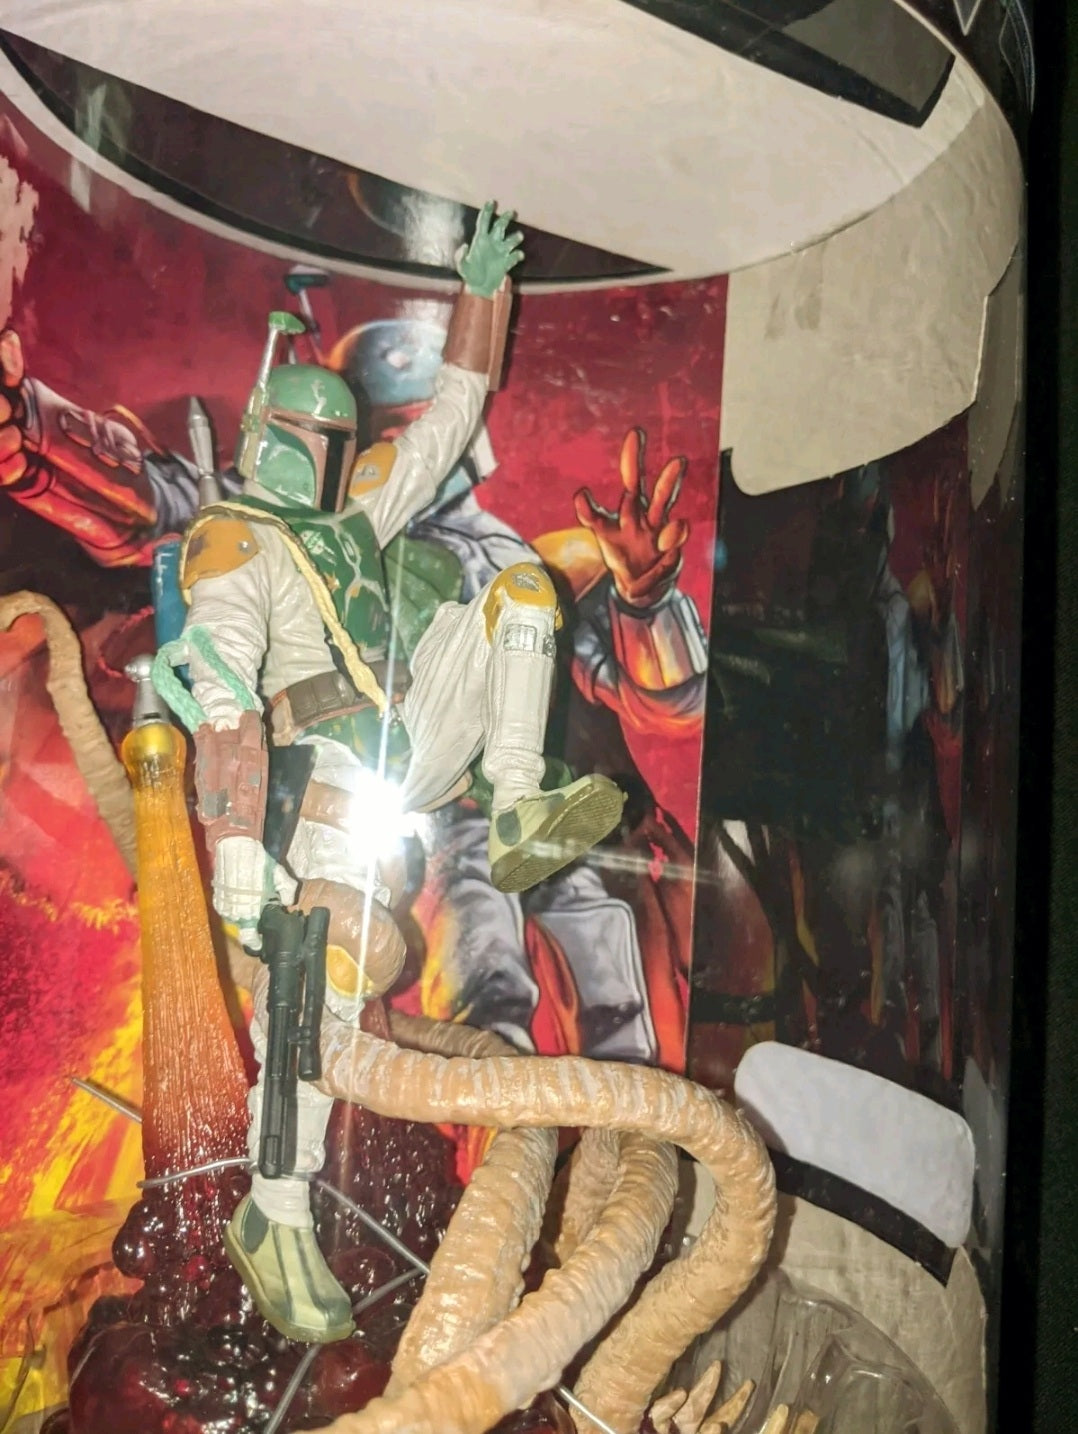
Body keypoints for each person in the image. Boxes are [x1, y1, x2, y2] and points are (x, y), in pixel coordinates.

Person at [157, 203, 623, 1343]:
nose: (318, 455)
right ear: (270, 431)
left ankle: (516, 804)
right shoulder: (234, 539)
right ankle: (277, 1207)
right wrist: (236, 853)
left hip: (404, 742)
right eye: (306, 436)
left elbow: (447, 423)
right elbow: (222, 683)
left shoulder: (349, 525)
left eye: (329, 441)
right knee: (323, 979)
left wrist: (479, 297)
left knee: (522, 594)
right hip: (320, 775)